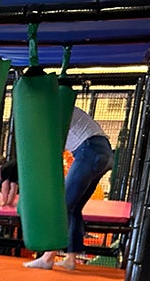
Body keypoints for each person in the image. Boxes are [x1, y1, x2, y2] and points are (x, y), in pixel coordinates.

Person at [23, 106, 115, 271]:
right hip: (104, 152)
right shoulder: (63, 109)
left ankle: (47, 258)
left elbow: (52, 147)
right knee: (74, 207)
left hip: (90, 149)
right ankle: (71, 259)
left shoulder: (54, 109)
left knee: (62, 205)